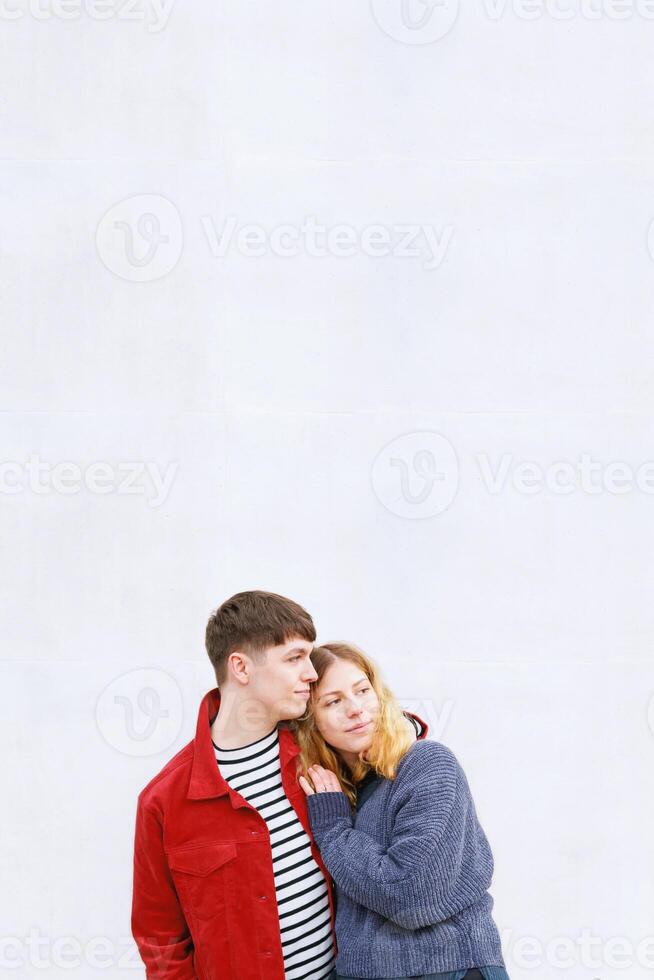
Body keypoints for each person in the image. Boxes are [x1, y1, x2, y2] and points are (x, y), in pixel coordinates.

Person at [130, 591, 426, 980]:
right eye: (294, 658)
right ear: (241, 667)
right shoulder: (164, 800)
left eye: (309, 656)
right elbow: (161, 941)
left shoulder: (319, 755)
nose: (312, 673)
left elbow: (387, 740)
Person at [295, 642, 511, 980]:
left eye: (362, 690)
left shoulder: (427, 764)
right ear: (312, 723)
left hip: (448, 969)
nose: (355, 709)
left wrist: (334, 828)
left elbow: (411, 894)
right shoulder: (339, 791)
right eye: (333, 701)